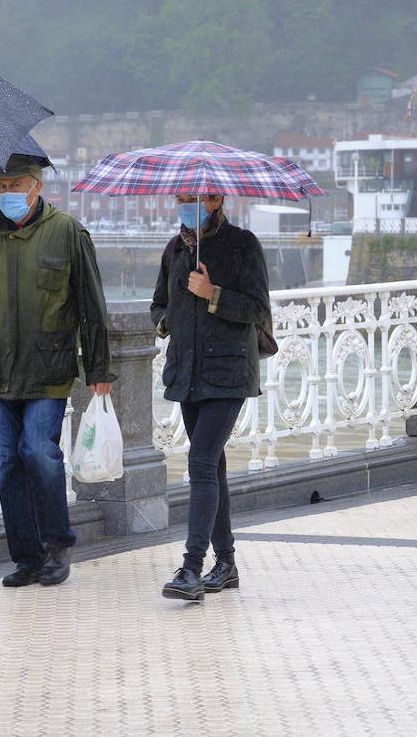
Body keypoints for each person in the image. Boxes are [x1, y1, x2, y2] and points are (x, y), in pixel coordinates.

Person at [0, 154, 114, 588]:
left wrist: (98, 367)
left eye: (15, 185)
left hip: (48, 366)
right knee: (11, 464)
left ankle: (58, 543)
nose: (7, 194)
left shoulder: (68, 232)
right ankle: (27, 557)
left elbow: (92, 305)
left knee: (38, 450)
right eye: (2, 187)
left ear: (37, 186)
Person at [150, 193, 270, 601]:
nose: (186, 204)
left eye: (194, 198)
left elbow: (257, 308)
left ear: (217, 199)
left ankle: (191, 567)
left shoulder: (242, 244)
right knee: (212, 466)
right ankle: (227, 563)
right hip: (187, 373)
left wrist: (212, 293)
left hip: (229, 372)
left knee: (200, 461)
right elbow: (158, 305)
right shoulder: (175, 249)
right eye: (181, 198)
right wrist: (167, 322)